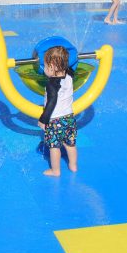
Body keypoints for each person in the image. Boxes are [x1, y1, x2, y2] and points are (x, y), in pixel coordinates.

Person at [37, 46, 77, 176]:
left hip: (55, 120)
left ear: (53, 66)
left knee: (54, 147)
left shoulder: (51, 84)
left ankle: (55, 171)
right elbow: (73, 63)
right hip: (69, 118)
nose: (44, 69)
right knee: (70, 144)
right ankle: (73, 165)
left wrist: (43, 119)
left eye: (46, 66)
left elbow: (52, 102)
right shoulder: (70, 75)